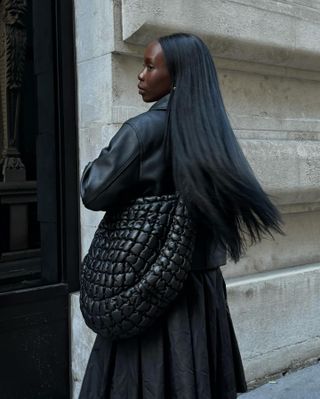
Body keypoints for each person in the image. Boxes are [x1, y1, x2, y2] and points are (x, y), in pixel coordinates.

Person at [79, 33, 282, 399]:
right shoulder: (213, 132)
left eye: (150, 66)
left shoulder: (143, 131)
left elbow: (93, 191)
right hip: (201, 294)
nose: (141, 75)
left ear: (178, 75)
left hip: (145, 289)